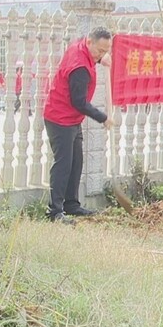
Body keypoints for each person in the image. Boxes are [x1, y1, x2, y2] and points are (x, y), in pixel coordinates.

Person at [43, 27, 113, 224]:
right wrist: (103, 117)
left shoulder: (82, 47)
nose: (102, 54)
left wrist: (100, 59)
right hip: (60, 118)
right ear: (90, 42)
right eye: (100, 50)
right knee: (63, 164)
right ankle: (55, 211)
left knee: (76, 163)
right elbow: (79, 102)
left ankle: (71, 205)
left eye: (105, 51)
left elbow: (94, 55)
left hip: (72, 119)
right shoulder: (80, 67)